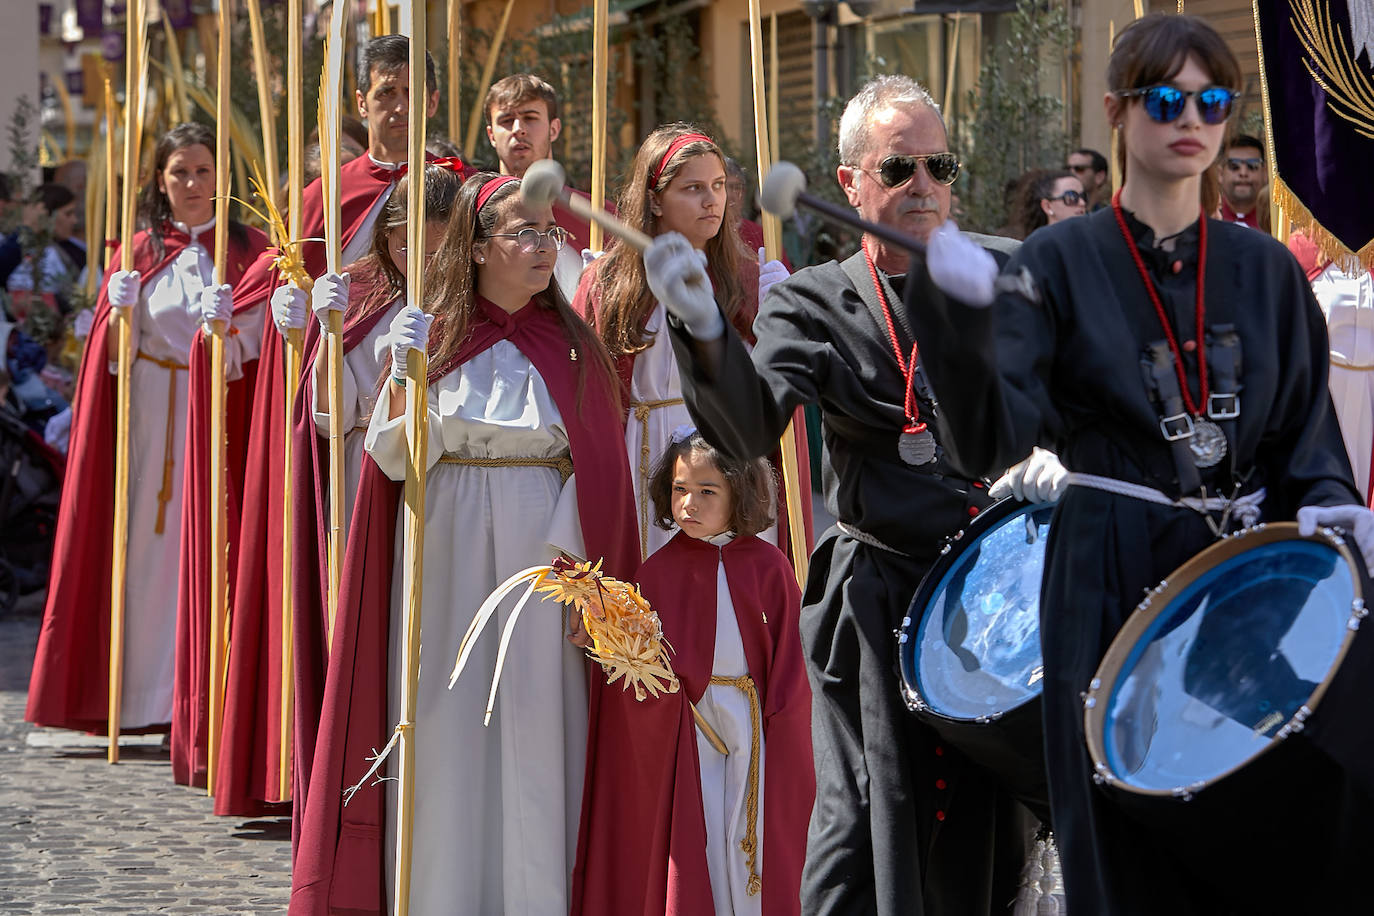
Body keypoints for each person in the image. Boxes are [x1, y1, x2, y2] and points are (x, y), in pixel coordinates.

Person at [903, 14, 1374, 913]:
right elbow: (993, 438)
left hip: (1242, 582)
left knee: (1281, 832)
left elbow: (1307, 442)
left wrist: (1332, 508)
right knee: (1123, 856)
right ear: (1119, 112)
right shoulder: (1054, 262)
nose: (1188, 117)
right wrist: (956, 324)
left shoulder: (1271, 271)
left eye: (1211, 99)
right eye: (1165, 99)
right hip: (1107, 577)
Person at [646, 75, 1034, 915]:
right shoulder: (817, 299)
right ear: (852, 181)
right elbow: (747, 428)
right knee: (865, 826)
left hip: (999, 599)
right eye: (898, 168)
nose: (923, 184)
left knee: (992, 830)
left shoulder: (1004, 270)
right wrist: (702, 327)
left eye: (940, 164)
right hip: (879, 601)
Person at [290, 172, 637, 915]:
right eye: (524, 233)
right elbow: (383, 456)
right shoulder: (433, 338)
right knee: (446, 721)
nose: (545, 248)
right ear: (476, 249)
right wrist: (402, 379)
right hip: (442, 547)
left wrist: (584, 582)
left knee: (538, 723)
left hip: (545, 556)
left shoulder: (575, 350)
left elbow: (602, 469)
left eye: (551, 234)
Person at [206, 33, 460, 814]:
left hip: (444, 422)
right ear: (359, 104)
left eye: (410, 92)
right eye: (382, 93)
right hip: (347, 427)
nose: (396, 107)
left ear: (434, 102)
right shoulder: (327, 195)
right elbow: (264, 292)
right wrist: (261, 320)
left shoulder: (466, 188)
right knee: (348, 592)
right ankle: (334, 762)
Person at [25, 123, 267, 740]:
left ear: (222, 177)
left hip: (219, 421)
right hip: (151, 420)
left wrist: (233, 334)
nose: (191, 183)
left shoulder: (252, 250)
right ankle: (139, 699)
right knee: (147, 558)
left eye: (202, 171)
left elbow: (270, 350)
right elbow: (107, 359)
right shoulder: (137, 251)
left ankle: (205, 701)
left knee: (216, 550)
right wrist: (116, 316)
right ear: (160, 181)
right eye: (179, 171)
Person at [573, 427, 813, 915]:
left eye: (707, 491)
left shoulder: (770, 567)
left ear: (739, 492)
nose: (689, 504)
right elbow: (640, 671)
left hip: (753, 723)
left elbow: (791, 658)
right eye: (680, 489)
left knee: (747, 835)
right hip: (689, 727)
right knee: (699, 833)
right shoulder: (655, 574)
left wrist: (784, 728)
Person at [572, 123, 798, 562]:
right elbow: (586, 393)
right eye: (693, 188)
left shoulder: (747, 276)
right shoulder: (610, 281)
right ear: (654, 198)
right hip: (643, 453)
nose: (713, 200)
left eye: (717, 186)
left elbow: (774, 397)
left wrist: (784, 323)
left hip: (727, 453)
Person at [483, 72, 591, 300]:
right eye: (506, 120)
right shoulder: (475, 215)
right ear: (491, 135)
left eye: (530, 118)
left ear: (554, 129)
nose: (518, 129)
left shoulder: (596, 215)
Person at [1017, 168, 1087, 238]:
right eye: (1071, 197)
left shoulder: (1092, 242)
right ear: (1047, 206)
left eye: (1083, 196)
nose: (1082, 203)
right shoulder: (1037, 246)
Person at [1216, 133, 1267, 228]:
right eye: (1234, 166)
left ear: (1265, 173)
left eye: (1252, 166)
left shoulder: (1277, 222)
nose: (1243, 173)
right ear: (1220, 174)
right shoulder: (1205, 218)